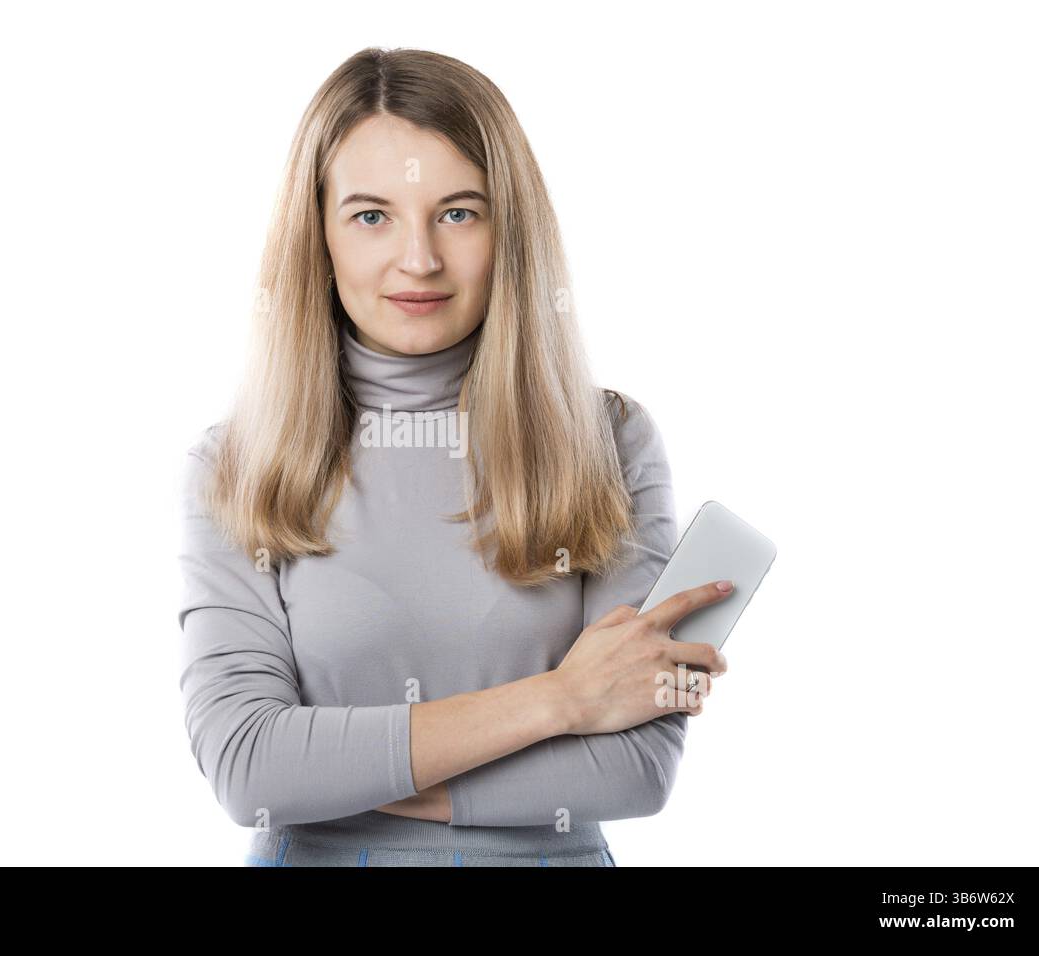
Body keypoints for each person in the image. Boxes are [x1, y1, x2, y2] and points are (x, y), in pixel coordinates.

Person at [176, 46, 730, 867]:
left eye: (459, 212)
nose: (420, 259)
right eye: (372, 215)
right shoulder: (238, 464)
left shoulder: (609, 439)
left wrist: (351, 775)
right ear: (317, 232)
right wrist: (562, 700)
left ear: (510, 227)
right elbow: (249, 767)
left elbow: (638, 768)